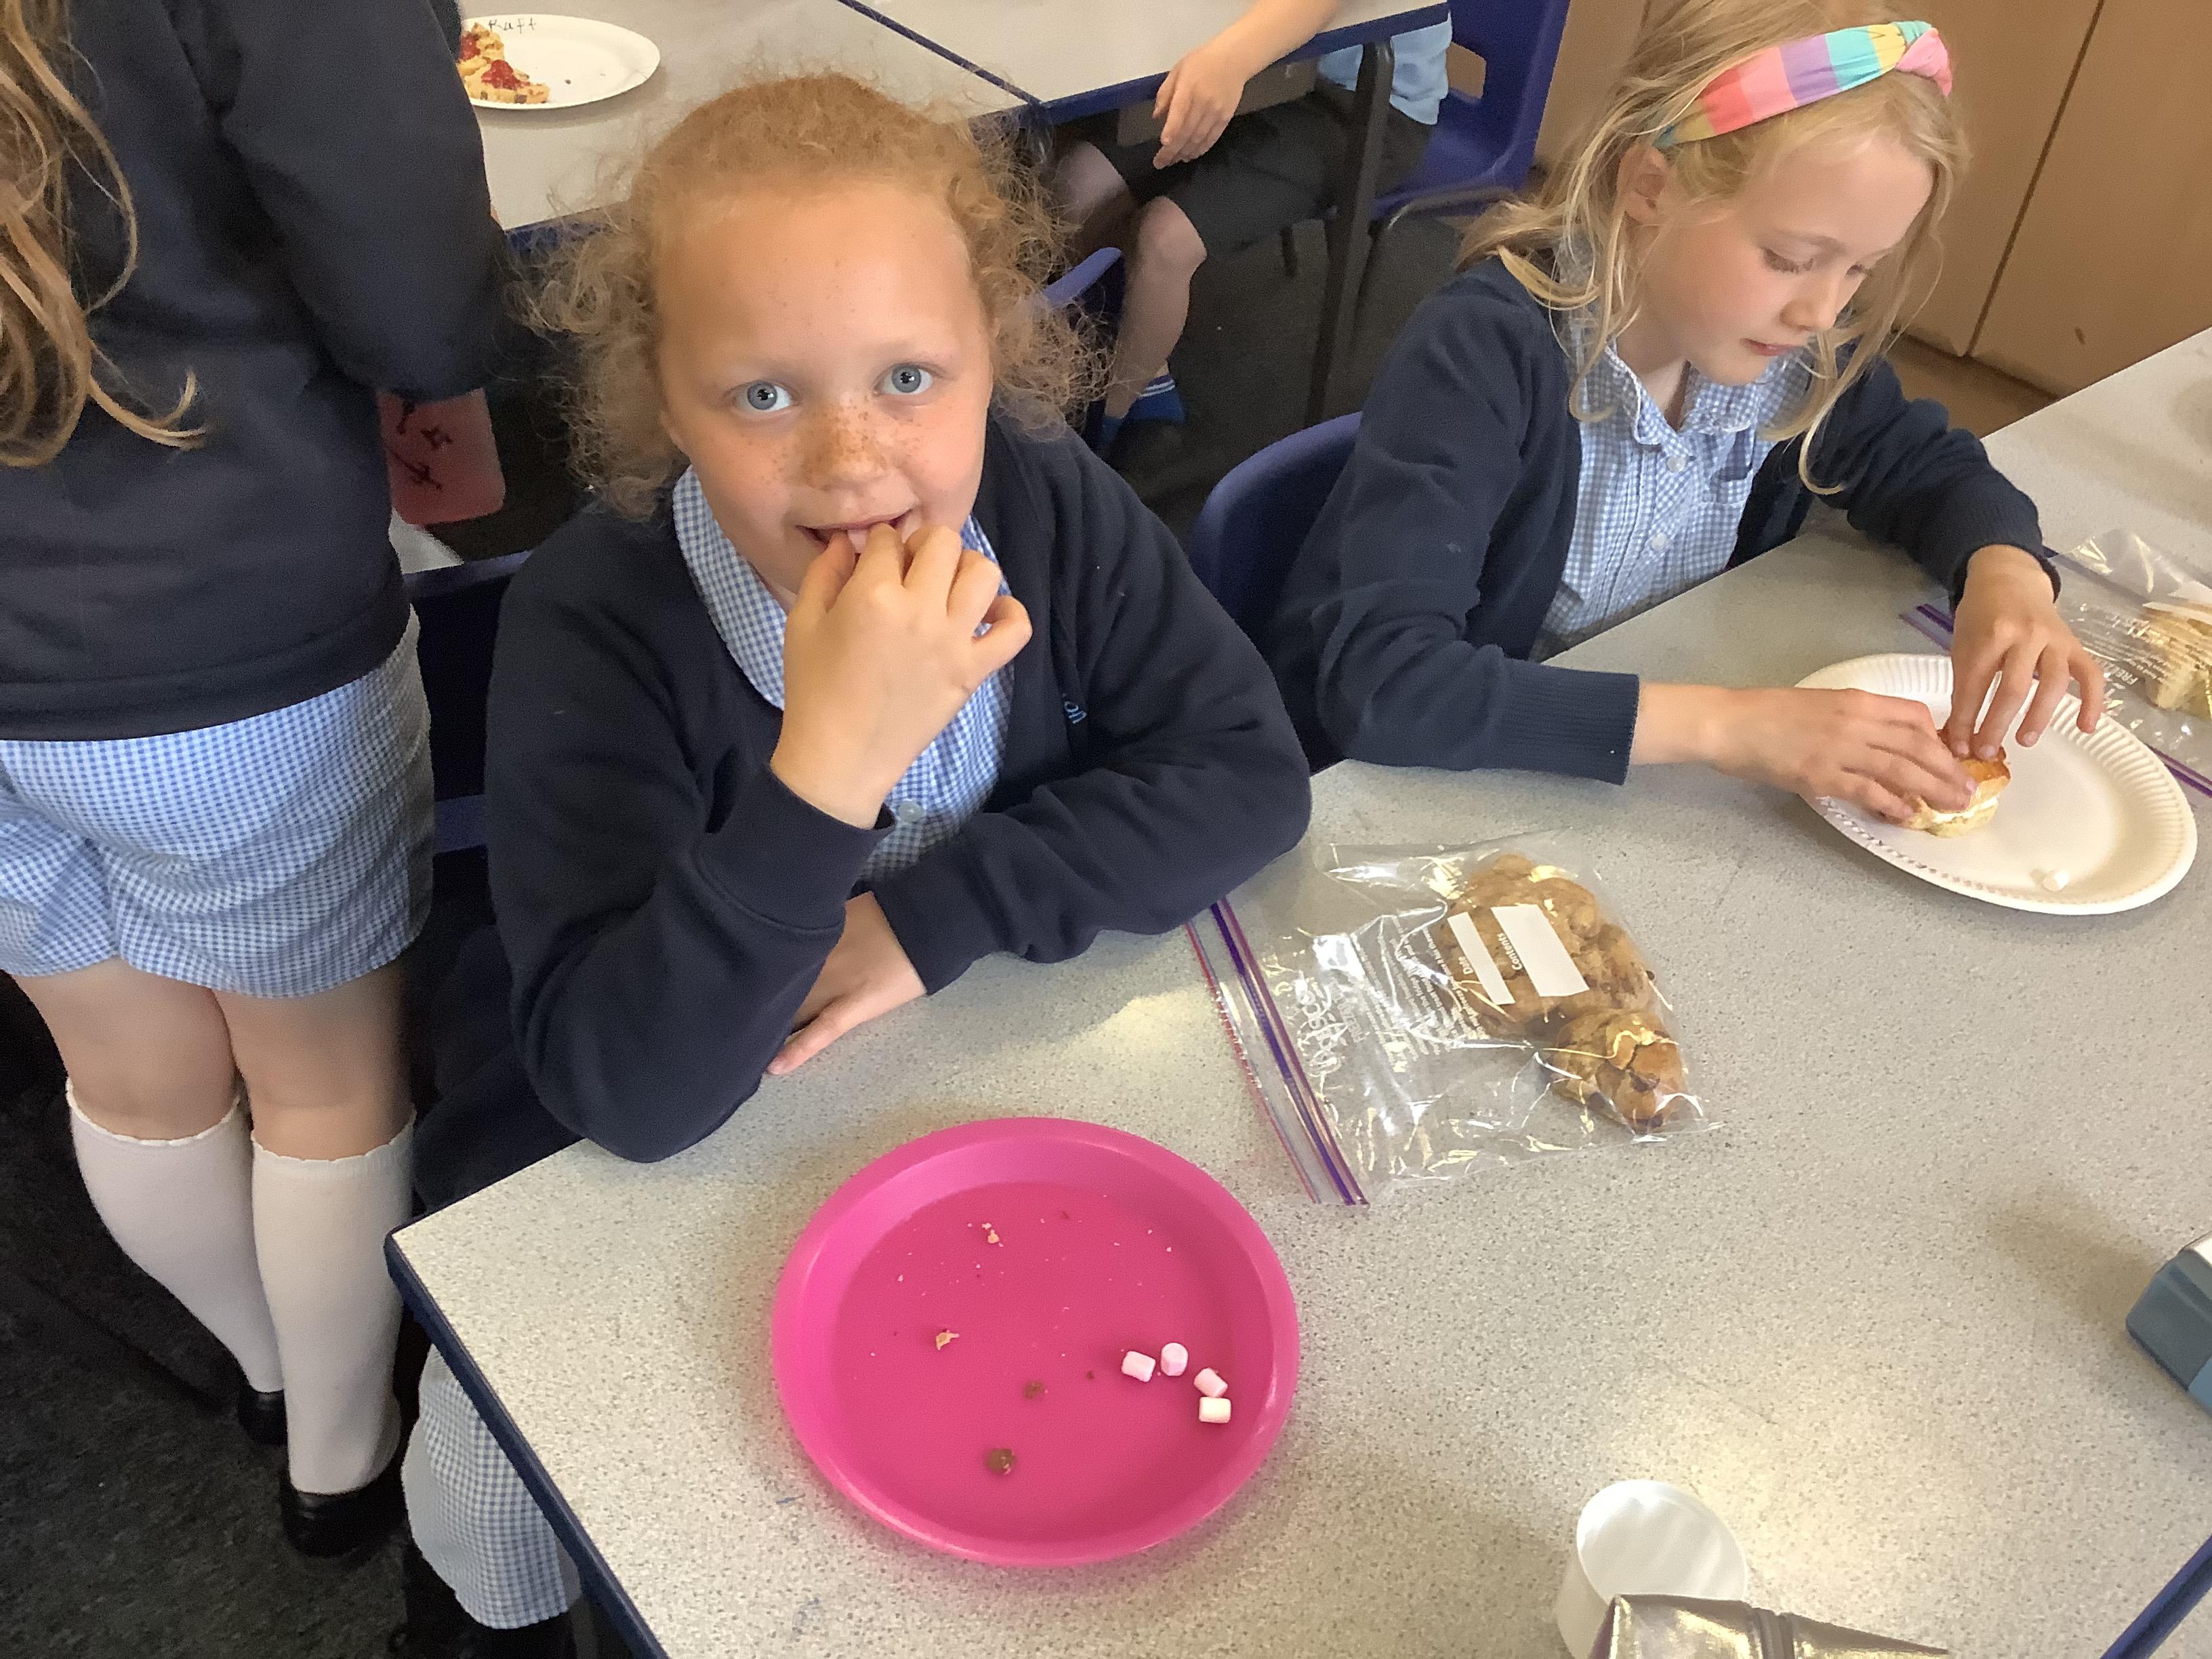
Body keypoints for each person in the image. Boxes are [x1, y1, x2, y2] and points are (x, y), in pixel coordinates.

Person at [394, 75, 1312, 1655]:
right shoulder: (600, 619)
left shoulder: (1044, 497)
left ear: (994, 360)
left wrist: (922, 918)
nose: (849, 455)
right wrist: (825, 775)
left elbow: (1246, 773)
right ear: (665, 404)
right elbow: (629, 1090)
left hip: (939, 1088)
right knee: (495, 1489)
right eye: (762, 394)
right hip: (627, 1130)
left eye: (908, 376)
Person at [0, 0, 504, 1557]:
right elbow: (426, 317)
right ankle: (340, 1458)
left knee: (127, 1077)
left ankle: (272, 1369)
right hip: (214, 628)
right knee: (323, 1089)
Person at [1266, 1, 2106, 826]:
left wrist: (2005, 570)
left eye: (1859, 269)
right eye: (1790, 259)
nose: (1821, 310)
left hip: (1619, 777)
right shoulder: (1486, 352)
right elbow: (1386, 685)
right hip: (1410, 791)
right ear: (1650, 186)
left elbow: (1924, 466)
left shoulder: (1785, 355)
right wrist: (1733, 726)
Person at [1052, 0, 1452, 455]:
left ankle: (1091, 440)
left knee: (1165, 240)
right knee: (1077, 185)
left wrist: (1228, 61)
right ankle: (1146, 375)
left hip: (1359, 101)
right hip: (1265, 75)